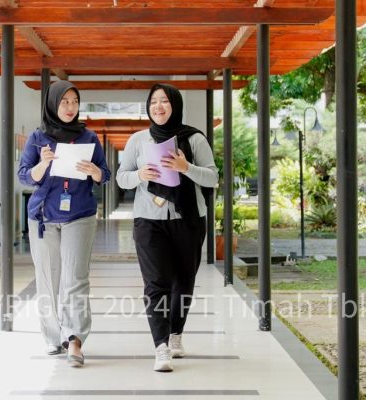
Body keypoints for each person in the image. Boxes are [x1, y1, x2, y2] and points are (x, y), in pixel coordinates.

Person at [116, 83, 218, 372]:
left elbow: (212, 178)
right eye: (153, 102)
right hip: (149, 221)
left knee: (183, 282)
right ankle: (160, 346)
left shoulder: (194, 138)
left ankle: (175, 334)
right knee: (155, 283)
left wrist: (186, 168)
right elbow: (122, 178)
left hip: (188, 219)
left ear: (175, 105)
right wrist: (139, 174)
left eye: (164, 101)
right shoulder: (138, 140)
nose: (158, 106)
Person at [18, 80, 110, 368]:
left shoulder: (89, 137)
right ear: (52, 104)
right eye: (64, 102)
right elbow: (24, 176)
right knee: (48, 279)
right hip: (43, 217)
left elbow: (105, 174)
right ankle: (52, 336)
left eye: (74, 101)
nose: (70, 107)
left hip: (79, 215)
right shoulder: (37, 137)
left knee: (76, 279)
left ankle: (74, 338)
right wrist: (43, 164)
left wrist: (95, 171)